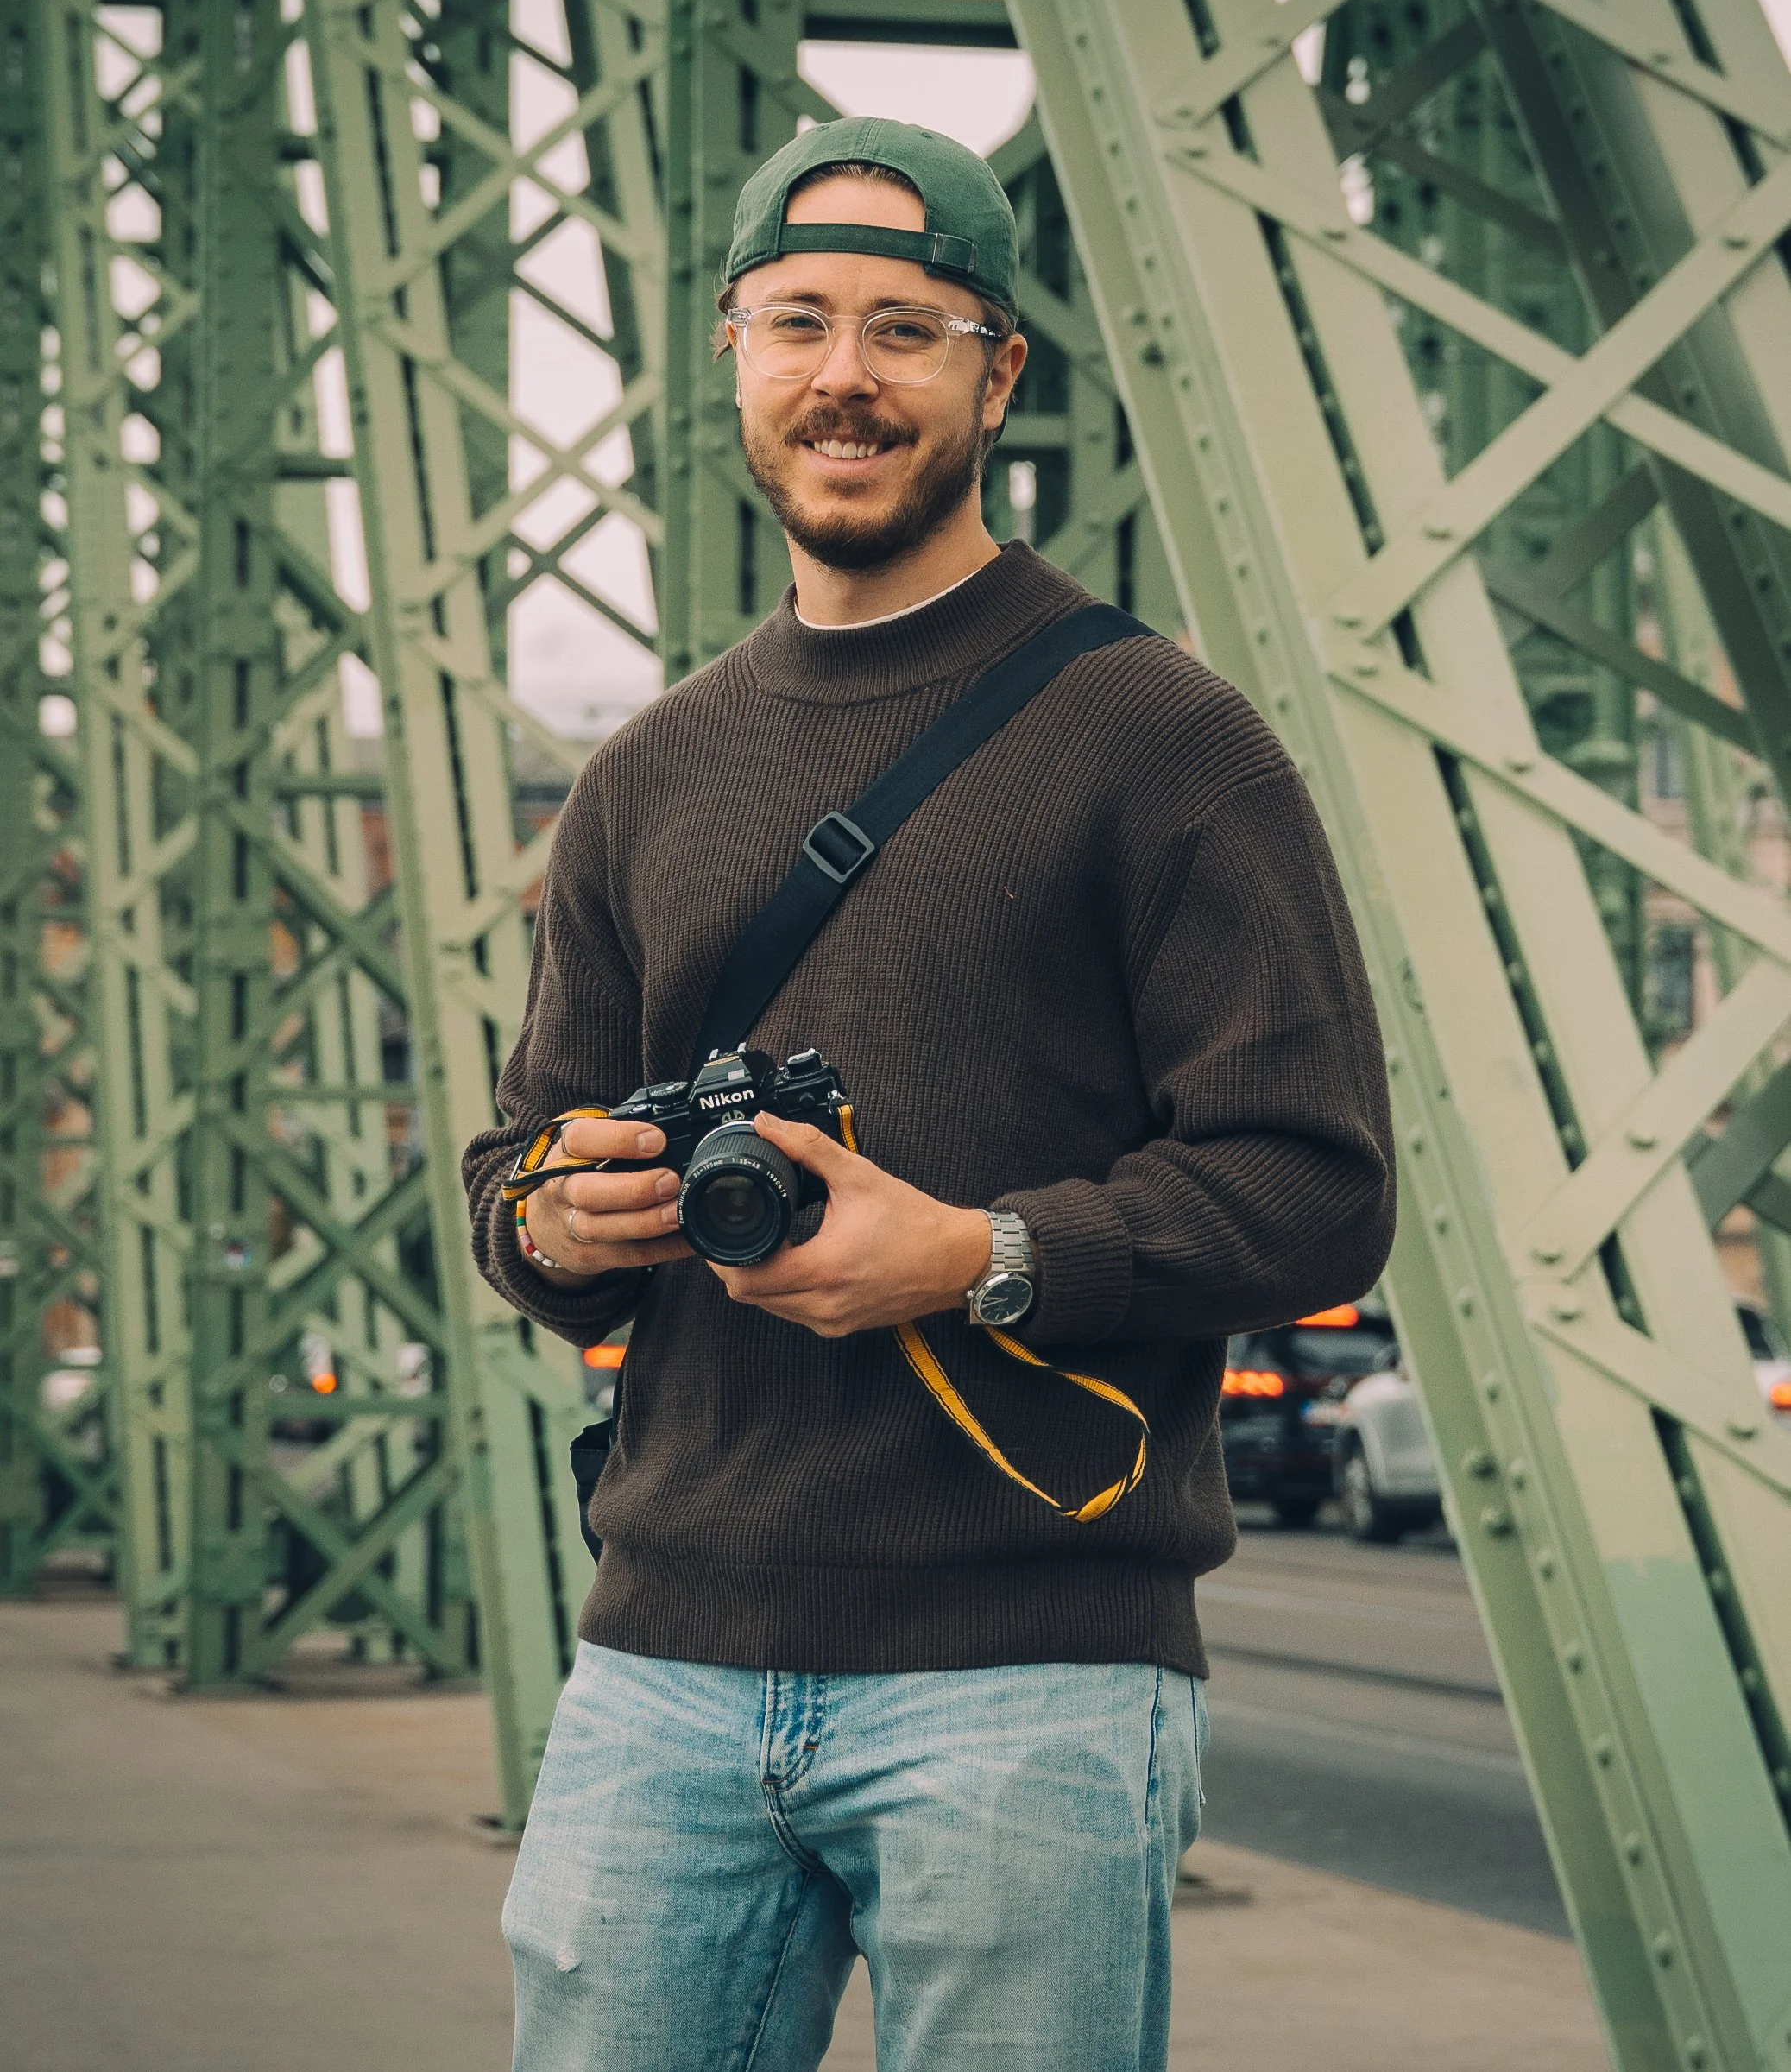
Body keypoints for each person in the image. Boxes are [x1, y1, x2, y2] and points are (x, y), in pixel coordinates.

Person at [463, 115, 1396, 2072]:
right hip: (658, 1665)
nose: (844, 377)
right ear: (732, 352)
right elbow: (515, 1172)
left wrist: (975, 1254)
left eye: (905, 328)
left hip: (1029, 1678)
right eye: (797, 321)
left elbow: (1317, 1190)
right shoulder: (646, 770)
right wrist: (561, 1218)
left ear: (994, 373)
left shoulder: (1164, 745)